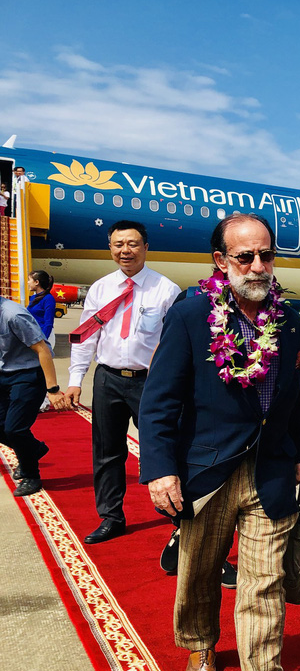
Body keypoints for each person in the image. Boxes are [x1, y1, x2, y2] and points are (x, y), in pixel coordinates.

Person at [140, 213, 300, 671]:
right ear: (221, 261)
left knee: (264, 585)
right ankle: (199, 645)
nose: (258, 266)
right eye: (245, 256)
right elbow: (160, 400)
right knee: (198, 570)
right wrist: (160, 469)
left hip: (271, 469)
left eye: (266, 254)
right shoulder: (192, 316)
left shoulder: (289, 322)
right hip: (208, 468)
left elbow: (293, 395)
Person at [66, 220, 181, 544]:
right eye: (118, 245)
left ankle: (178, 518)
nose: (125, 250)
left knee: (163, 448)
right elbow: (85, 337)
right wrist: (76, 379)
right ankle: (111, 517)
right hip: (108, 379)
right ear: (110, 249)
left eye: (132, 244)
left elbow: (175, 342)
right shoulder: (101, 288)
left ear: (145, 247)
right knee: (107, 452)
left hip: (151, 382)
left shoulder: (165, 290)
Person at [1, 298, 69, 497]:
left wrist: (53, 389)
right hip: (3, 373)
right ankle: (34, 449)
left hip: (28, 374)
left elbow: (42, 349)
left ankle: (31, 476)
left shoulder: (13, 314)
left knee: (15, 428)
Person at [27, 270, 57, 343]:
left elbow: (48, 323)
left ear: (37, 282)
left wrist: (43, 340)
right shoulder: (33, 298)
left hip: (43, 337)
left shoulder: (48, 299)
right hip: (33, 337)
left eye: (29, 280)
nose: (28, 282)